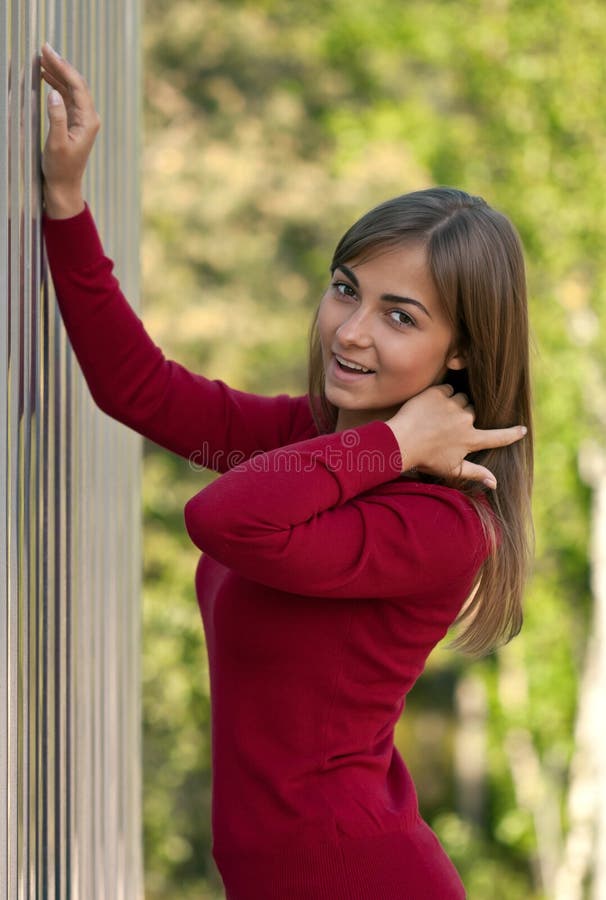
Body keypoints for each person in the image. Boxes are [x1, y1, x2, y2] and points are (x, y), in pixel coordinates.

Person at [39, 42, 532, 900]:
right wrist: (65, 203)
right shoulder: (310, 445)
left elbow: (225, 520)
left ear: (463, 355)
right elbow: (140, 391)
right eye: (346, 288)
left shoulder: (445, 525)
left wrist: (399, 445)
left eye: (400, 316)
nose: (350, 330)